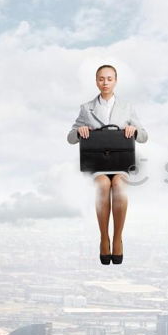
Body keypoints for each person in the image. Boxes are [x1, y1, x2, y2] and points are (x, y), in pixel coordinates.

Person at [67, 64, 148, 265]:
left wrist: (133, 130)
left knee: (119, 185)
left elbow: (144, 136)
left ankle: (118, 237)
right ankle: (104, 237)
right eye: (101, 79)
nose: (105, 83)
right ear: (96, 81)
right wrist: (80, 131)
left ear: (115, 81)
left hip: (121, 163)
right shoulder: (86, 108)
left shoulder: (127, 107)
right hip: (98, 165)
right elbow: (70, 138)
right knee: (103, 185)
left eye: (109, 79)